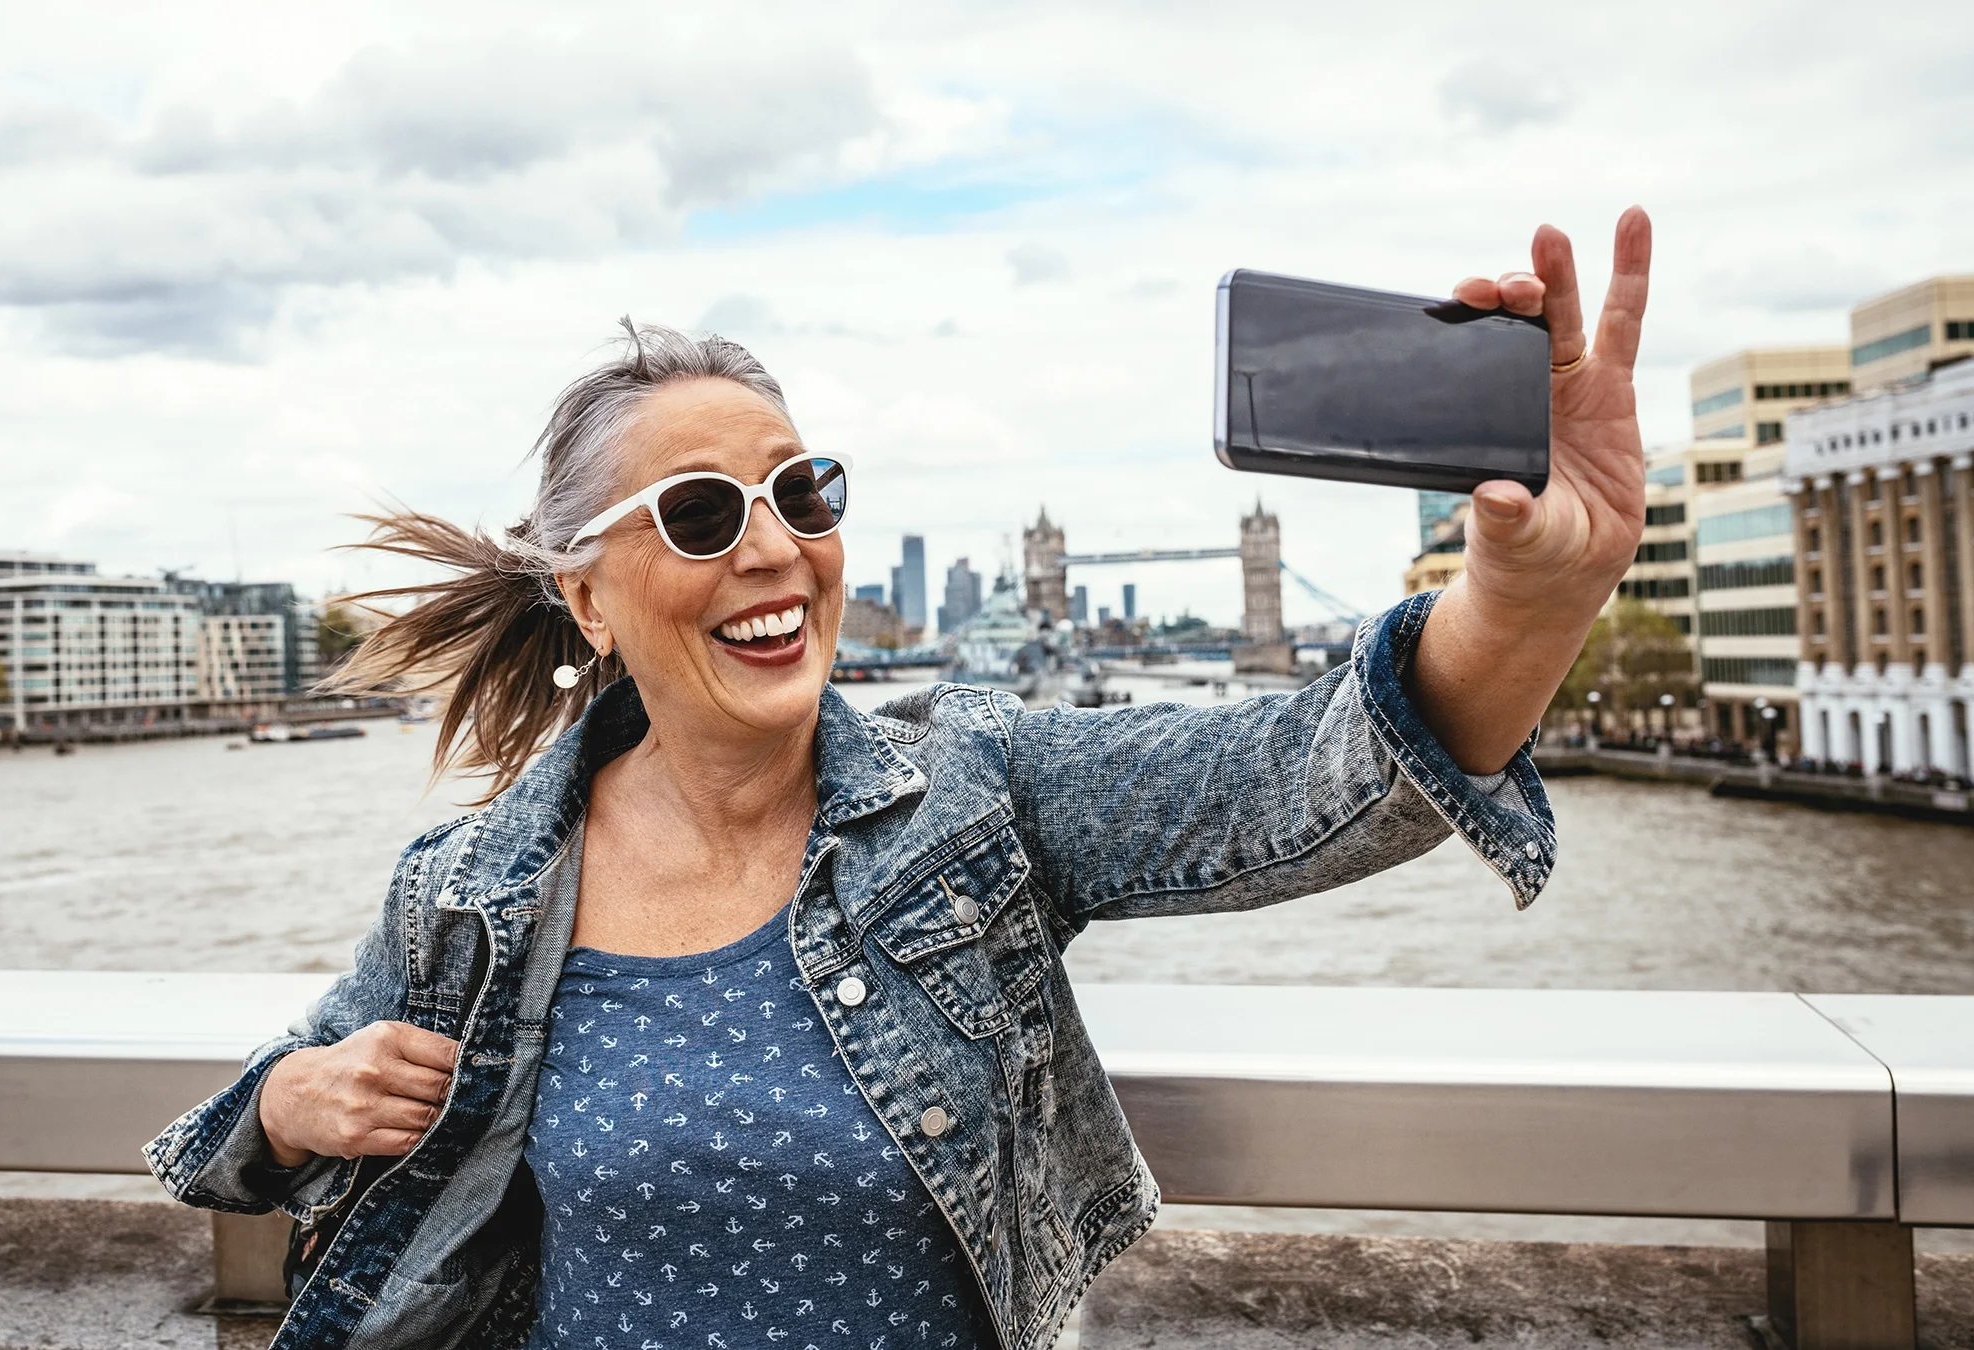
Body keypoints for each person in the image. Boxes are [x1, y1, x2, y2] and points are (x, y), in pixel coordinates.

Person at [148, 209, 1654, 1350]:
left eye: (801, 491)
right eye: (697, 510)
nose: (772, 547)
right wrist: (291, 1098)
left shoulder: (975, 793)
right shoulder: (471, 896)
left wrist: (1526, 602)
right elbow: (229, 1144)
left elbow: (1312, 775)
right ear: (588, 601)